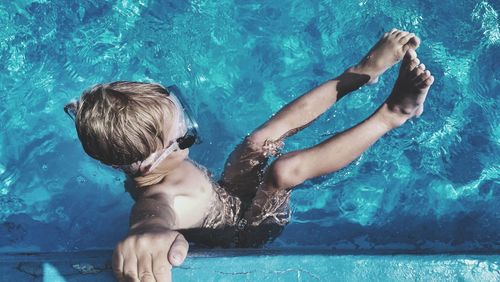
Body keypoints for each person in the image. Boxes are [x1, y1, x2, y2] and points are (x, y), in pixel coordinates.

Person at [64, 28, 433, 281]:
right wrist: (147, 232)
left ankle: (360, 74)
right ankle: (394, 114)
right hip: (244, 231)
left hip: (226, 197)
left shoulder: (147, 162)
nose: (191, 130)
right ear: (149, 161)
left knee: (259, 140)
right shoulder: (162, 196)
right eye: (186, 134)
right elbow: (152, 217)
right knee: (285, 171)